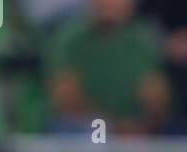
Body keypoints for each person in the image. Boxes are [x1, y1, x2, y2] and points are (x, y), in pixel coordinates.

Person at [44, 0, 171, 136]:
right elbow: (66, 101)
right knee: (84, 134)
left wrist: (141, 125)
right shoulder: (69, 40)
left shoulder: (144, 41)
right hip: (85, 127)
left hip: (132, 129)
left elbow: (156, 98)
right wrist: (114, 128)